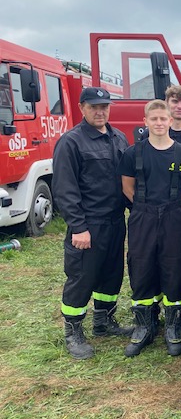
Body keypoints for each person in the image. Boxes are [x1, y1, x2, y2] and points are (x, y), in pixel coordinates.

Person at [53, 87, 132, 359]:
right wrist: (78, 227)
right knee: (82, 277)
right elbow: (65, 188)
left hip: (115, 221)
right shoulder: (71, 142)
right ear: (82, 108)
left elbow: (126, 181)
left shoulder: (118, 138)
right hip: (89, 224)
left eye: (104, 107)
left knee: (111, 274)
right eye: (93, 107)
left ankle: (103, 321)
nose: (100, 112)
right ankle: (73, 331)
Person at [118, 99, 181, 357]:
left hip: (175, 217)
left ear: (170, 121)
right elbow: (127, 186)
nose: (159, 123)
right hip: (142, 217)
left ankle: (172, 326)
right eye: (153, 119)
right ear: (145, 121)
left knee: (175, 266)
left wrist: (173, 208)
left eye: (163, 118)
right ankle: (145, 325)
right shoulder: (133, 153)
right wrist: (145, 208)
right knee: (141, 266)